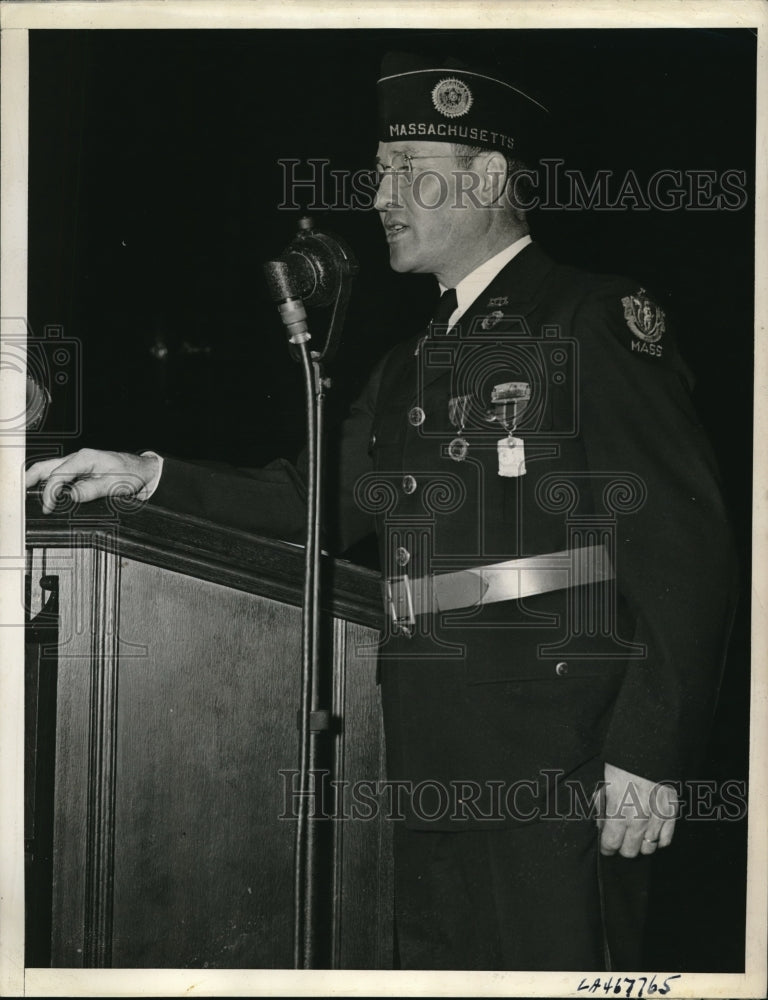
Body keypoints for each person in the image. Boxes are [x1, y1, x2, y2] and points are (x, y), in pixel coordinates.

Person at [26, 52, 738, 970]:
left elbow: (685, 546)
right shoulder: (409, 362)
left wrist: (650, 754)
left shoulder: (591, 318)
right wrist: (147, 472)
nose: (380, 193)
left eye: (408, 166)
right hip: (424, 745)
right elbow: (308, 501)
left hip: (559, 755)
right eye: (378, 169)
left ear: (488, 177)